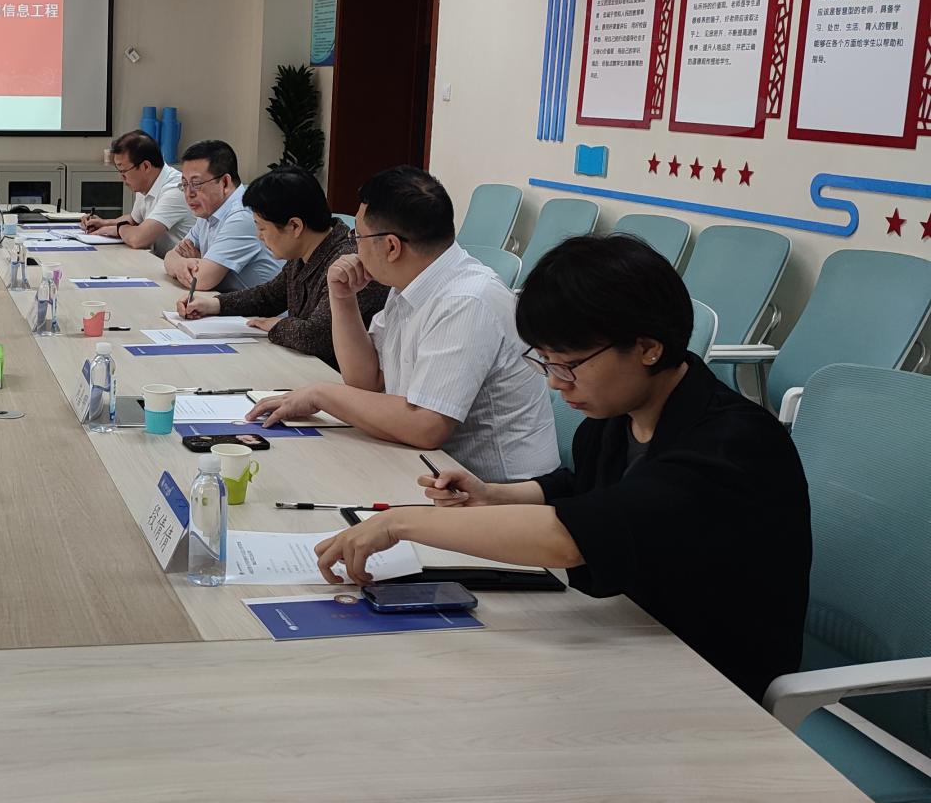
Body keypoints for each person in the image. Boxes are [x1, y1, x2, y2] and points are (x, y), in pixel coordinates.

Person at [314, 234, 811, 703]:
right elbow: (585, 490)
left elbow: (573, 537)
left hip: (709, 677)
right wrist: (495, 495)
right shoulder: (619, 416)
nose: (555, 383)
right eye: (546, 362)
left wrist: (400, 523)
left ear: (647, 347)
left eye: (568, 365)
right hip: (627, 633)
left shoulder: (730, 445)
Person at [247, 166, 557, 482]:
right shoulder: (410, 281)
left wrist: (321, 395)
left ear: (391, 247)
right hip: (432, 468)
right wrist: (342, 297)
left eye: (358, 236)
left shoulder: (466, 300)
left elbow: (427, 426)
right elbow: (367, 380)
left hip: (497, 490)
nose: (354, 246)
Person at [178, 165, 386, 366]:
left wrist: (277, 325)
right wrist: (214, 305)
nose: (259, 236)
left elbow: (316, 337)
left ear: (295, 226)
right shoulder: (305, 250)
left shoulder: (347, 263)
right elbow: (270, 296)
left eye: (262, 228)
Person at [161, 139, 283, 293]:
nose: (188, 193)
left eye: (196, 184)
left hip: (257, 308)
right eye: (184, 184)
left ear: (225, 182)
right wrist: (187, 264)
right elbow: (170, 256)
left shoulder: (243, 215)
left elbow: (200, 280)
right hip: (226, 302)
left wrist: (194, 264)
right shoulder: (208, 211)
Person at [79, 130, 190, 255]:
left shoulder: (176, 190)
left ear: (146, 166)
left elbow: (139, 239)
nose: (121, 178)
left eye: (123, 171)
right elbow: (134, 219)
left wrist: (117, 229)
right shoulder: (146, 183)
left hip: (179, 264)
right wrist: (103, 223)